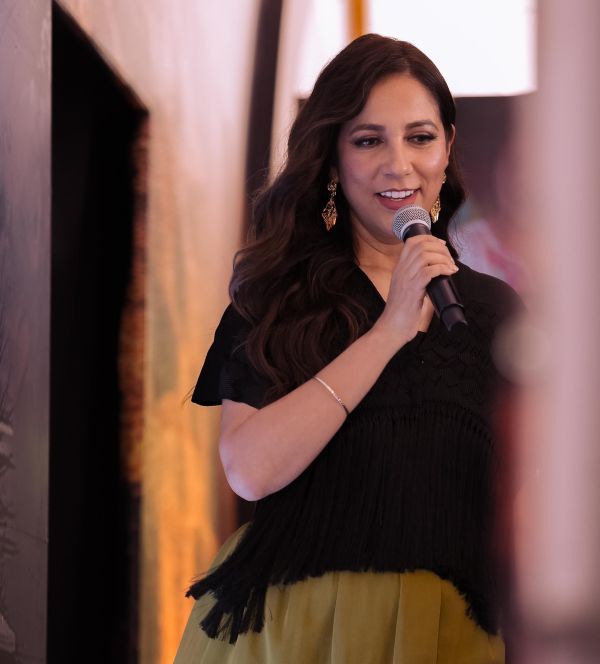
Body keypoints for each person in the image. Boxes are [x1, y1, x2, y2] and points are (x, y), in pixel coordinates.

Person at [174, 33, 521, 664]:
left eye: (419, 137)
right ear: (332, 159)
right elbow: (250, 470)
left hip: (446, 636)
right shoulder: (279, 300)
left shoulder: (493, 312)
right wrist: (389, 330)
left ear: (447, 147)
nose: (399, 165)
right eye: (368, 141)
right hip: (290, 631)